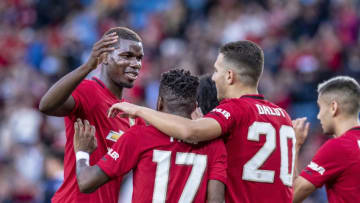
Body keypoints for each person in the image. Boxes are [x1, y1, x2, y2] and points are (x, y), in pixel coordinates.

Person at [108, 41, 297, 203]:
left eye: (216, 70)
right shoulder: (283, 116)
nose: (214, 77)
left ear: (229, 76)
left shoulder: (236, 108)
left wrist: (139, 110)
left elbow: (190, 131)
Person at [74, 69, 227, 202]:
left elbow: (86, 182)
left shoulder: (138, 136)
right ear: (195, 106)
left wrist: (82, 151)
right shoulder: (214, 144)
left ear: (159, 103)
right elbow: (216, 200)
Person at [39, 27, 145, 203]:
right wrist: (88, 65)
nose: (136, 64)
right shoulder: (88, 91)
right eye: (126, 56)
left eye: (139, 58)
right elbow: (46, 106)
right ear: (104, 57)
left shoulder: (133, 114)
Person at [293, 76, 360, 203]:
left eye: (320, 108)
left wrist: (295, 146)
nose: (318, 116)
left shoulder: (339, 147)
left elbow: (291, 196)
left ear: (333, 107)